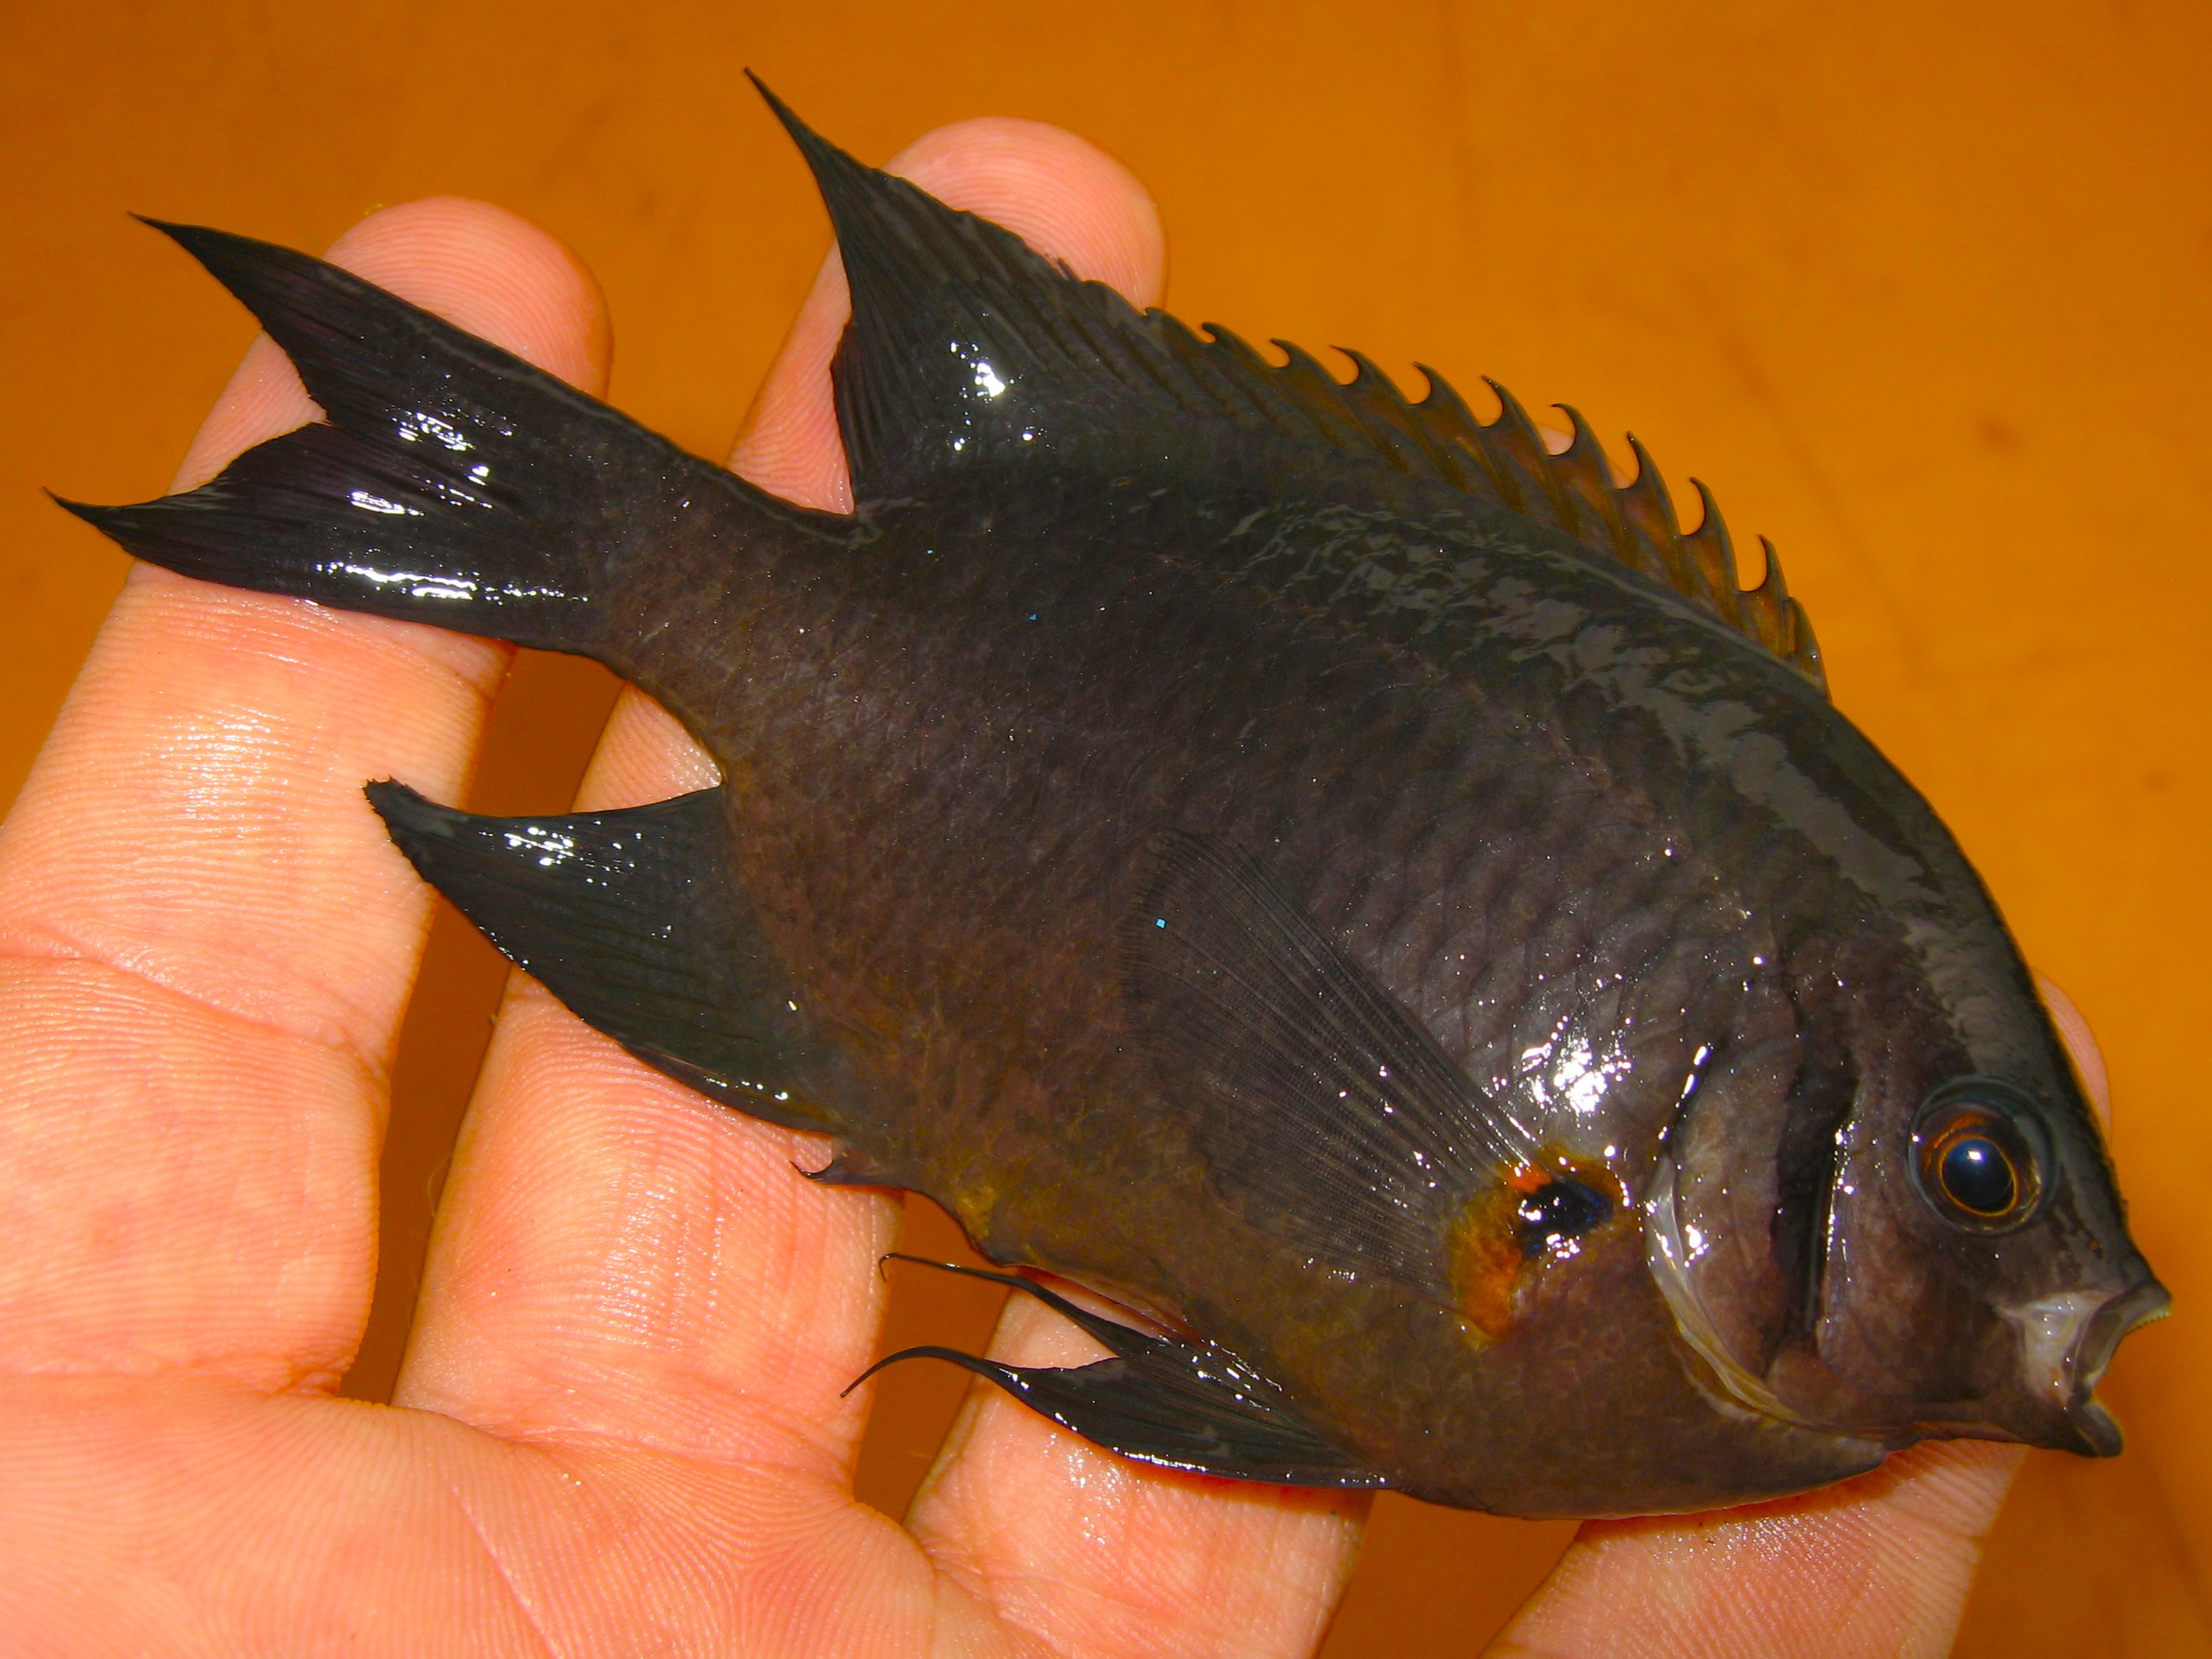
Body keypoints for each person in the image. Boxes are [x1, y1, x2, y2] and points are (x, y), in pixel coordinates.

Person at [0, 114, 2046, 1655]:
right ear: (1807, 1101)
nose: (2037, 1286)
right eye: (1977, 1174)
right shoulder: (1645, 1228)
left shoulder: (1720, 1385)